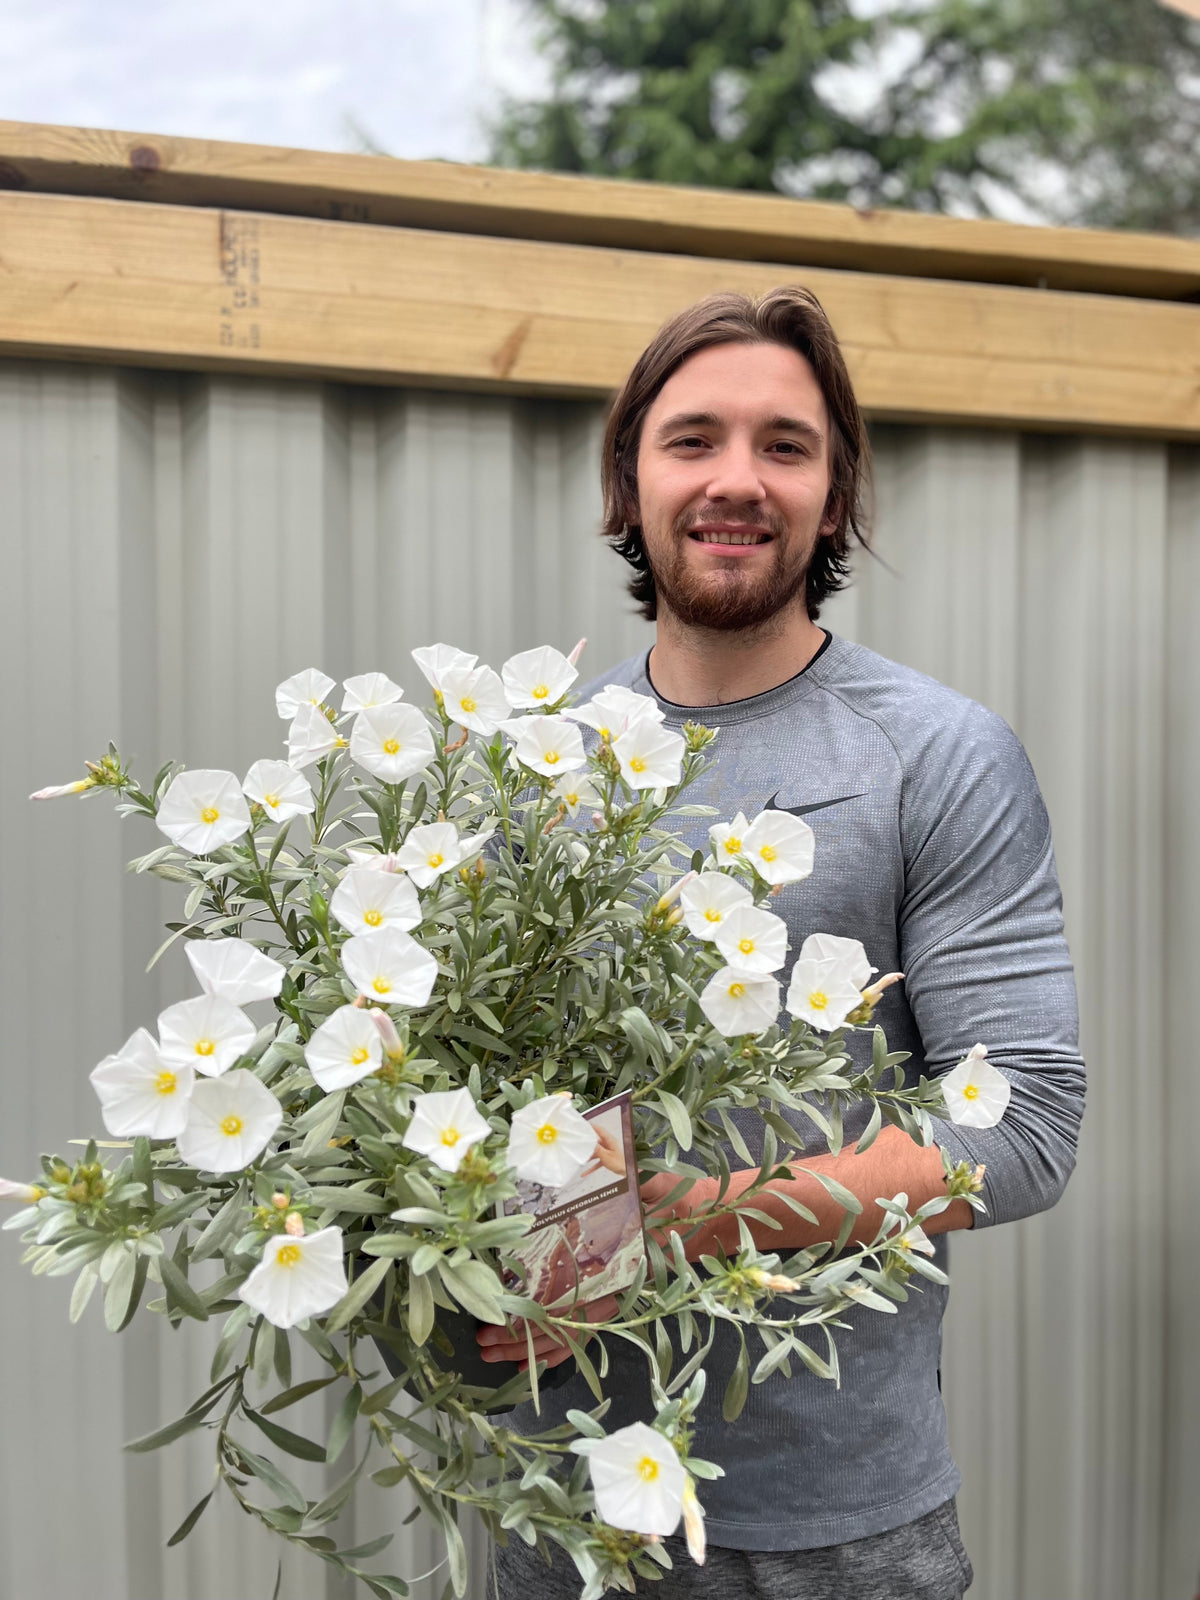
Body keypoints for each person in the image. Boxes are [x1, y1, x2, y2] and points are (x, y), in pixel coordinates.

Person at [479, 287, 1086, 1598]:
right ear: (629, 477)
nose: (736, 480)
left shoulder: (932, 755)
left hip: (825, 1530)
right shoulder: (538, 765)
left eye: (786, 445)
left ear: (837, 487)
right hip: (553, 1499)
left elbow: (1027, 1126)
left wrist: (674, 1221)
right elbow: (482, 1093)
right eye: (693, 439)